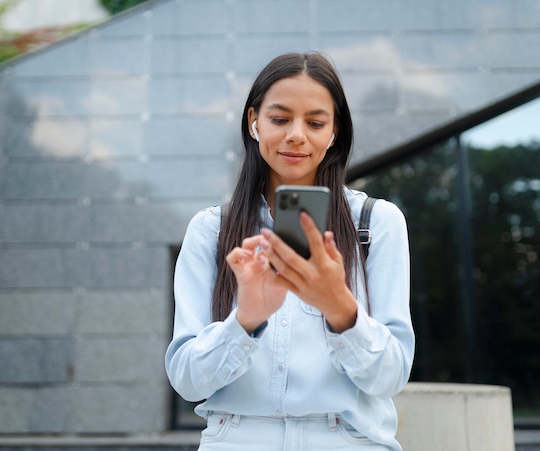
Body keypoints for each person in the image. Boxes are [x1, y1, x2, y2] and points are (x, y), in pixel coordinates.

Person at [165, 52, 414, 451]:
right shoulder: (211, 230)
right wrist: (245, 321)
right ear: (254, 122)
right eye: (280, 119)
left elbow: (390, 378)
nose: (297, 135)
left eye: (316, 122)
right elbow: (186, 381)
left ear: (334, 132)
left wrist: (340, 309)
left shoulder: (375, 223)